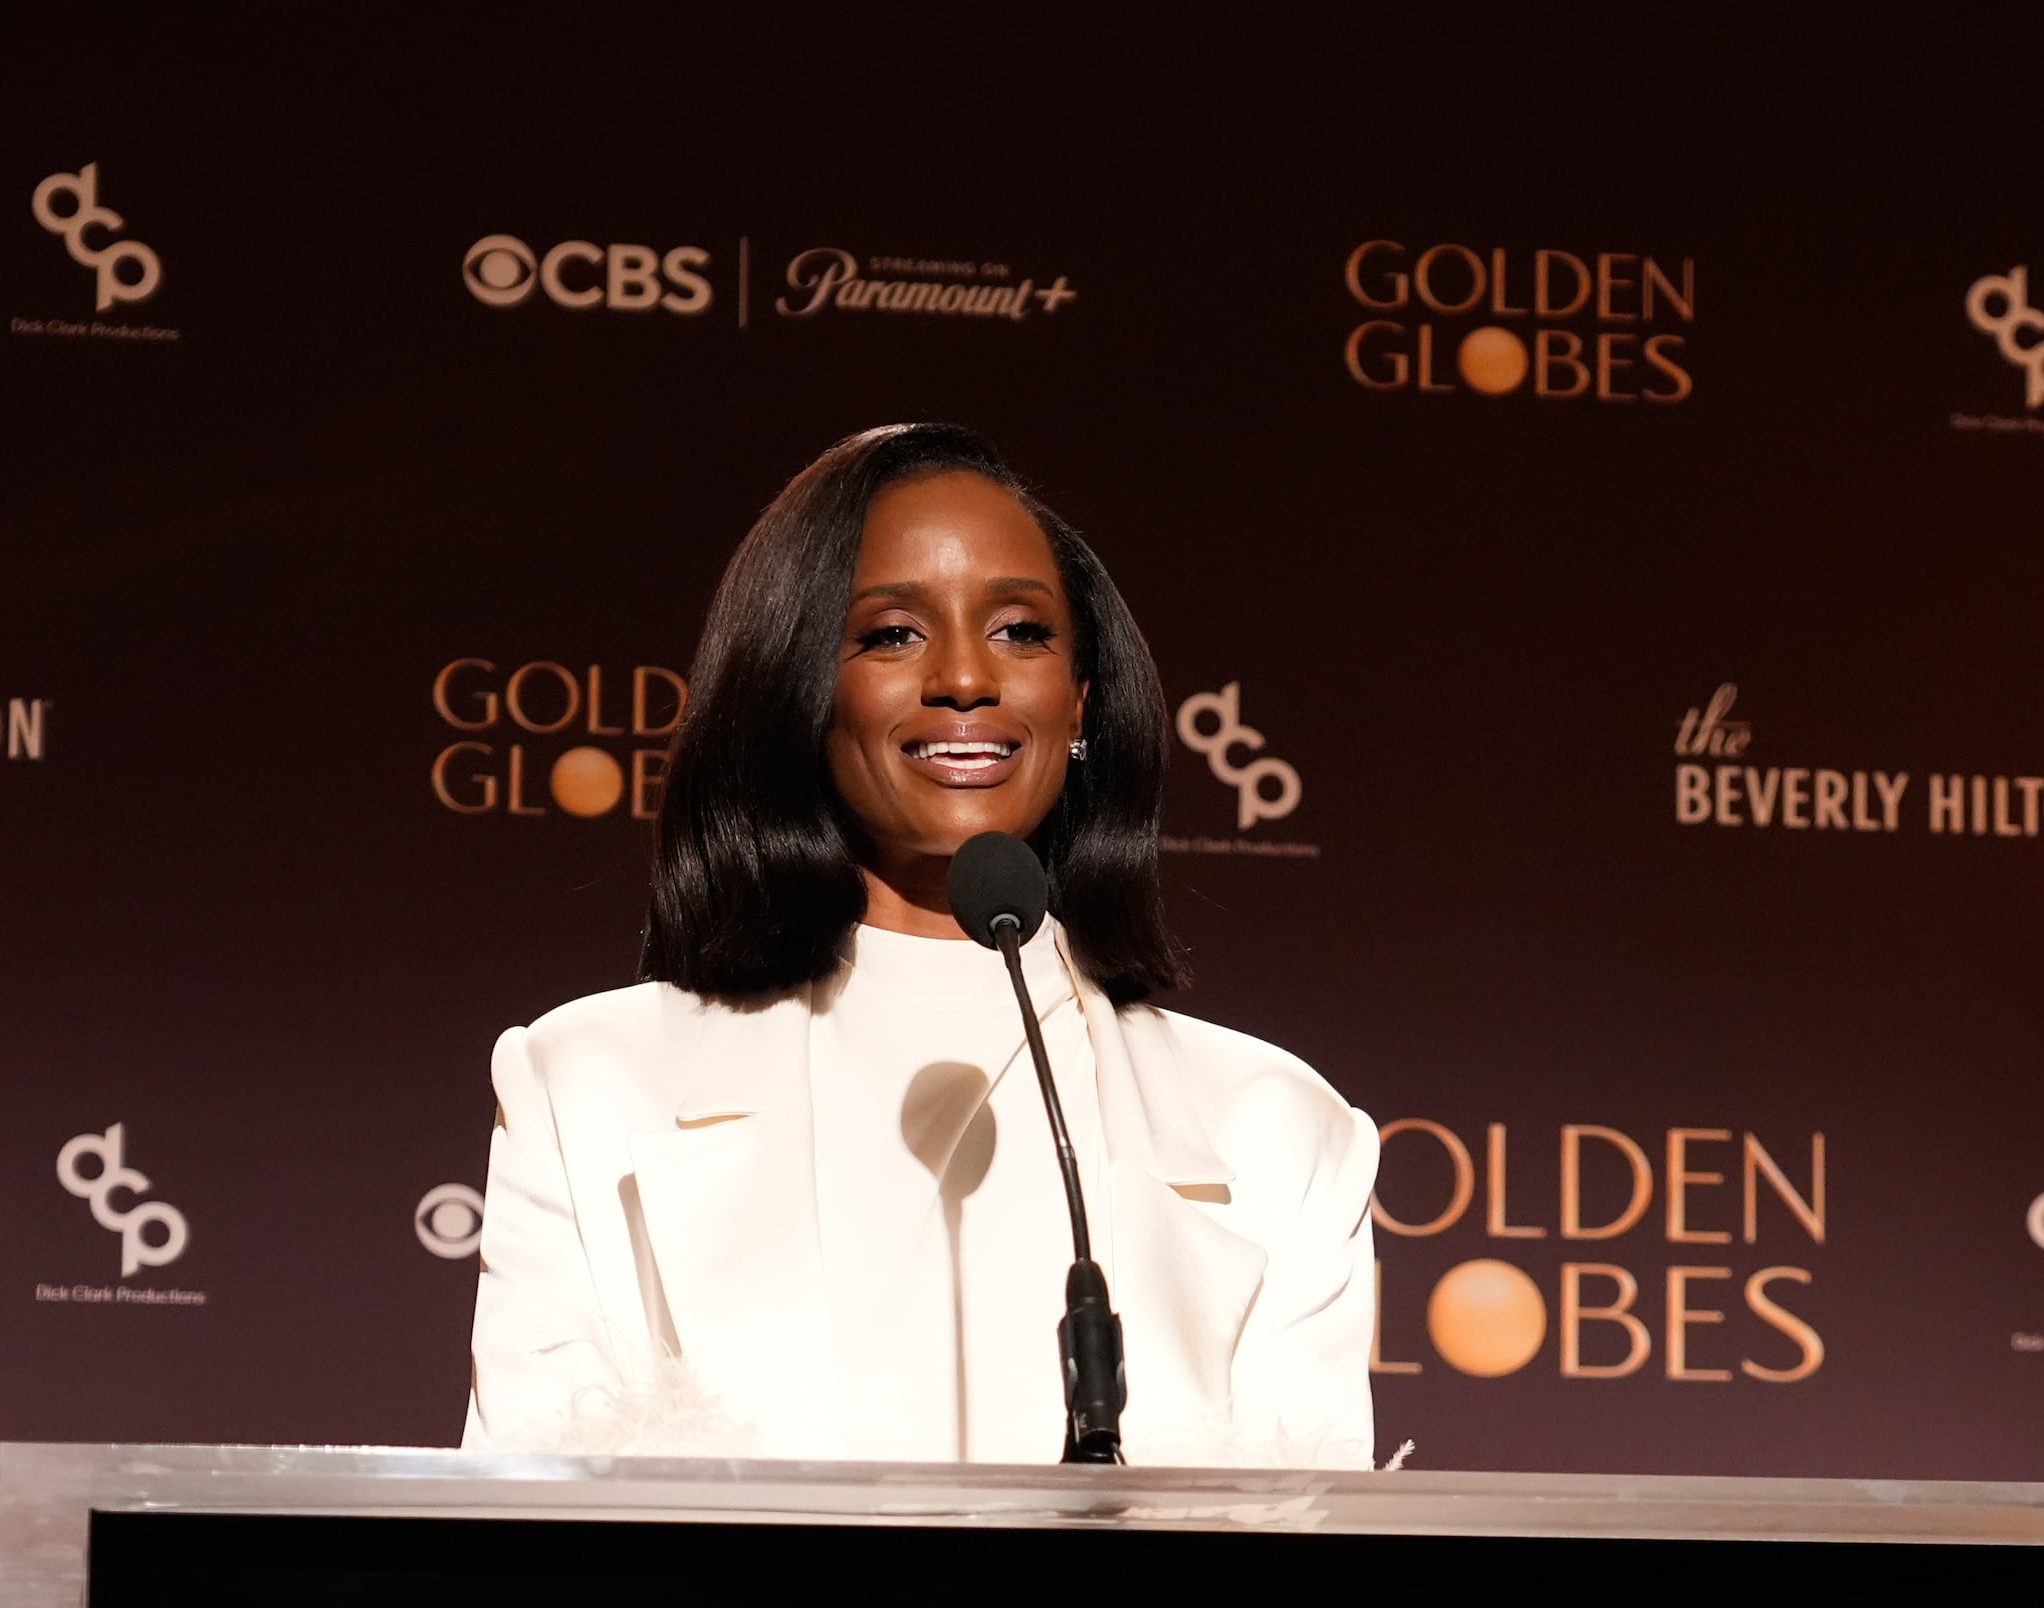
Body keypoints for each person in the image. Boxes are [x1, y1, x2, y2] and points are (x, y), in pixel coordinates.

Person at [460, 424, 1379, 1467]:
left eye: (1022, 632)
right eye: (892, 634)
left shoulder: (1278, 1131)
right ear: (798, 688)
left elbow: (1304, 1593)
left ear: (1079, 703)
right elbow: (532, 1550)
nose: (964, 679)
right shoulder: (590, 1086)